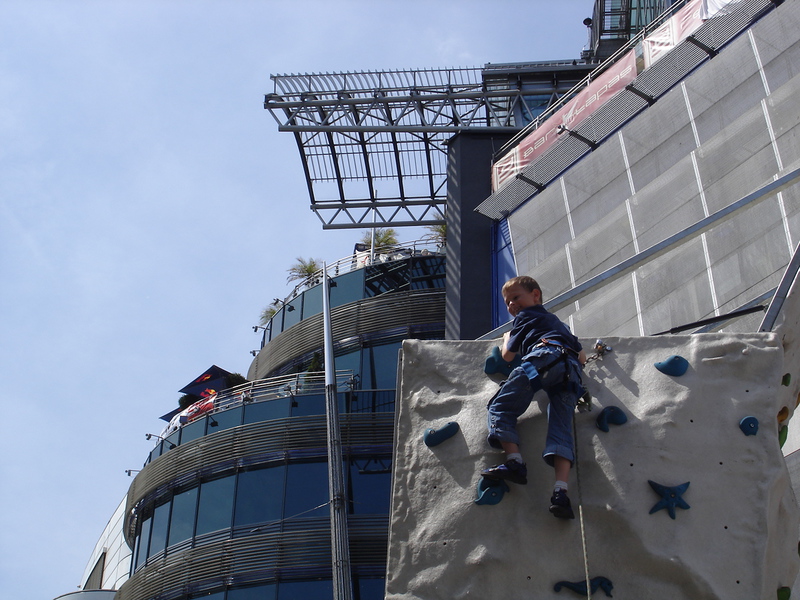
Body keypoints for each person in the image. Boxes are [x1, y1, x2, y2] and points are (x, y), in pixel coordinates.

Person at [481, 276, 587, 519]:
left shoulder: (525, 316)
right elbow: (582, 358)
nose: (512, 305)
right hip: (570, 372)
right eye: (508, 303)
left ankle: (515, 462)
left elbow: (508, 356)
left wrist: (507, 337)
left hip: (544, 358)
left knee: (500, 406)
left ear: (535, 295)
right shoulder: (560, 325)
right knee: (561, 429)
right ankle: (561, 493)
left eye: (515, 297)